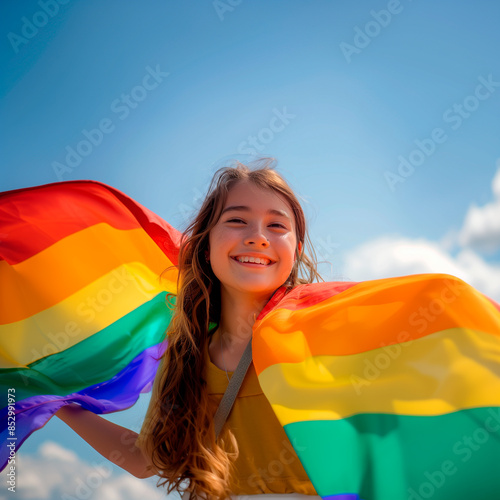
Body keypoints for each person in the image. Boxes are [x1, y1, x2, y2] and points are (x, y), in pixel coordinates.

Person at [56, 158, 324, 499]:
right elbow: (145, 459)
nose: (257, 237)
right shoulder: (185, 354)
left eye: (276, 226)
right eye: (237, 220)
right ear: (206, 243)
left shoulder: (323, 332)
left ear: (296, 249)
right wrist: (56, 403)